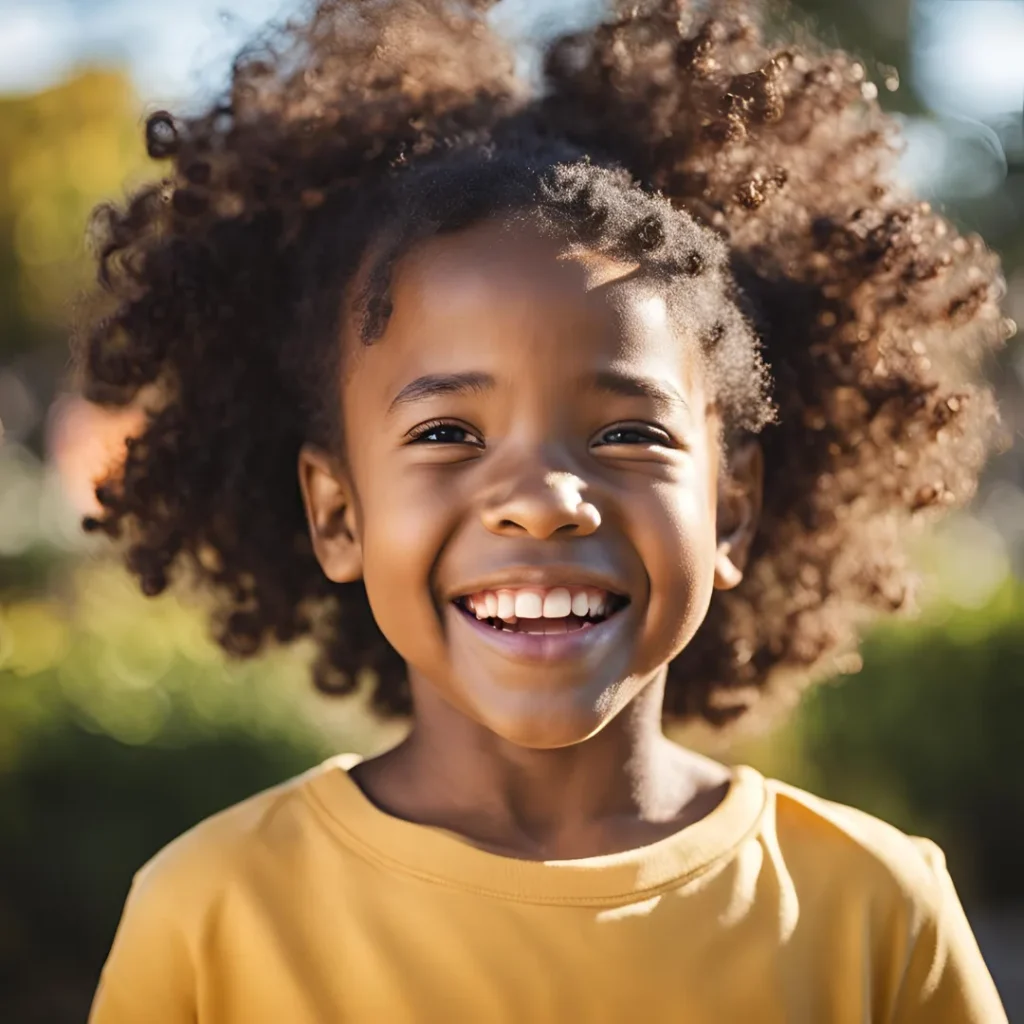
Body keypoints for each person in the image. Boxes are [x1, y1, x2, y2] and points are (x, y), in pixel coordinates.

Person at [81, 1, 1010, 1020]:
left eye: (627, 433)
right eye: (445, 434)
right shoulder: (211, 914)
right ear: (337, 513)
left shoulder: (875, 912)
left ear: (730, 507)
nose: (542, 500)